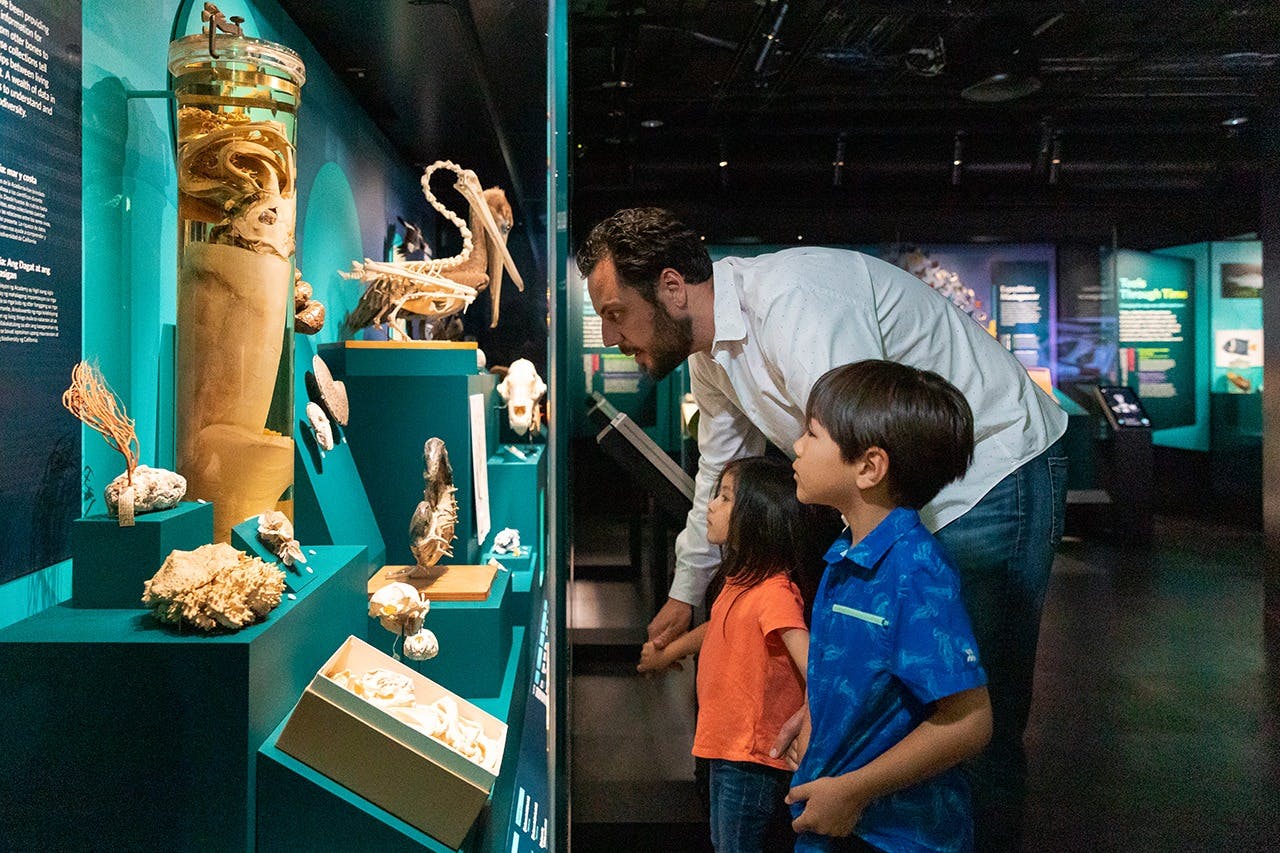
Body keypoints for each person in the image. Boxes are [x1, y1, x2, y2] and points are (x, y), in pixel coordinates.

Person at [577, 207, 1068, 850]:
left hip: (992, 470)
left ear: (672, 287)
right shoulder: (711, 359)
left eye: (615, 312)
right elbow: (720, 472)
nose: (611, 336)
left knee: (974, 720)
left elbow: (867, 435)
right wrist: (684, 589)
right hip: (896, 504)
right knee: (903, 712)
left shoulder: (797, 304)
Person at [783, 360, 993, 852]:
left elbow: (969, 721)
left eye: (812, 434)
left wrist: (851, 792)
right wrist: (818, 711)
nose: (797, 446)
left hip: (893, 836)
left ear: (869, 467)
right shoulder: (847, 555)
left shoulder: (915, 571)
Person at [637, 455, 834, 853]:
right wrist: (668, 653)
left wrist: (812, 720)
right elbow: (720, 629)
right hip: (726, 747)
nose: (711, 506)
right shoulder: (743, 581)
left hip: (752, 756)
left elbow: (813, 661)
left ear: (758, 516)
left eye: (725, 498)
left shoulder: (774, 592)